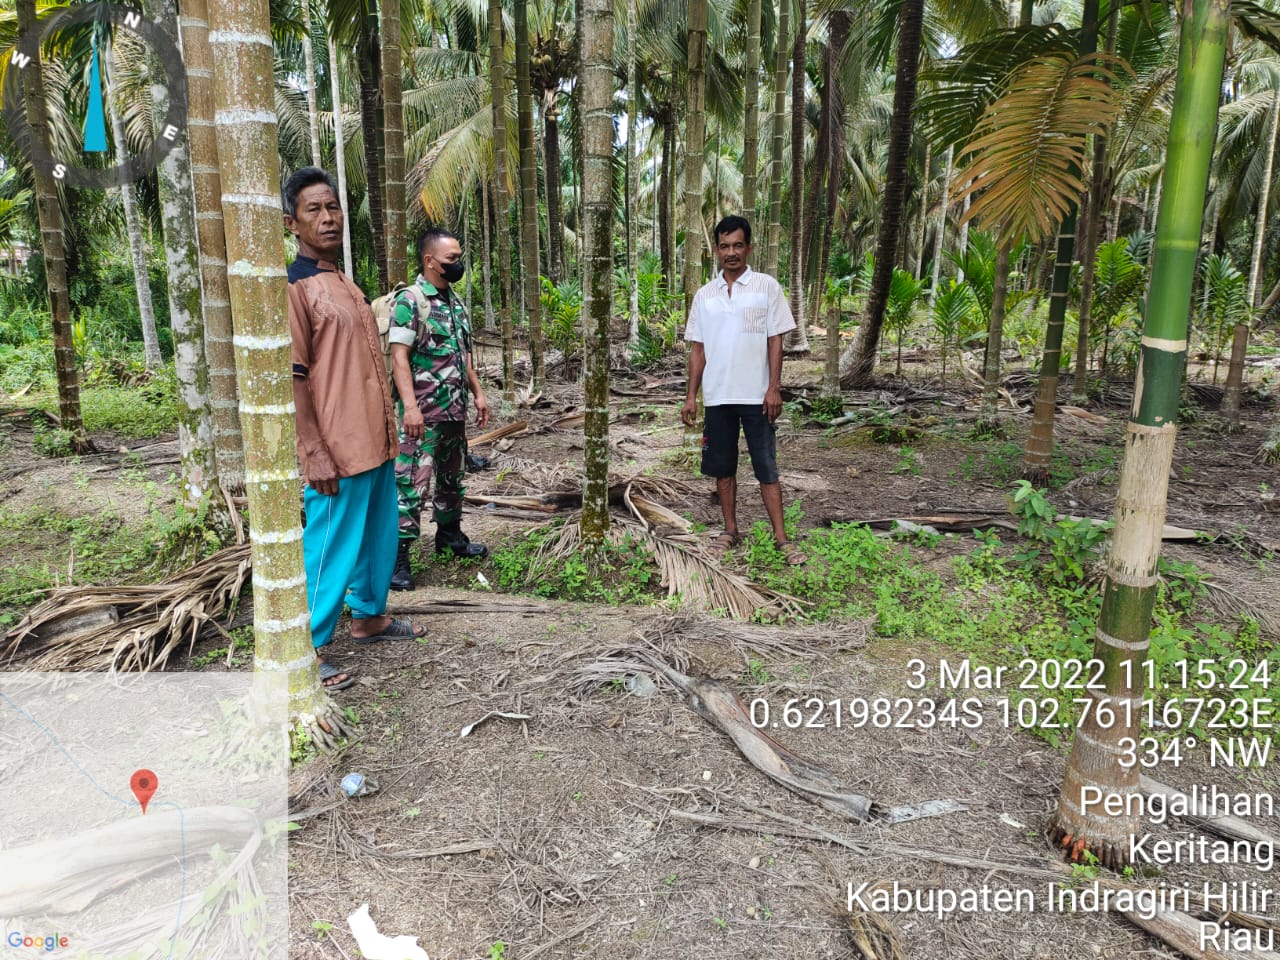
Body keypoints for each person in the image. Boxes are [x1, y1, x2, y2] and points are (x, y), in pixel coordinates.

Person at [284, 167, 425, 689]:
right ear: (292, 223)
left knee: (375, 537)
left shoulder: (346, 283)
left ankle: (368, 616)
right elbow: (294, 374)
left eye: (332, 207)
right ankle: (307, 647)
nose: (327, 218)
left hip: (377, 440)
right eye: (314, 210)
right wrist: (312, 446)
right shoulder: (296, 288)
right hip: (337, 447)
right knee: (328, 545)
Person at [680, 214, 806, 565]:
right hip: (718, 396)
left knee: (766, 466)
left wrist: (773, 388)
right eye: (724, 246)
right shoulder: (705, 296)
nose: (731, 252)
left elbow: (775, 341)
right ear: (716, 251)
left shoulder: (767, 287)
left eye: (738, 245)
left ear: (749, 247)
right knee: (723, 467)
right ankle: (730, 529)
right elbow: (698, 350)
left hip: (756, 397)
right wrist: (691, 396)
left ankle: (782, 539)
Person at [388, 227, 491, 591]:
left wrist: (477, 394)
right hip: (423, 416)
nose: (458, 264)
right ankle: (398, 559)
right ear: (430, 261)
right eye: (452, 259)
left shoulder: (455, 302)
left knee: (452, 479)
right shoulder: (411, 301)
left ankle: (450, 536)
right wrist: (411, 409)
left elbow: (463, 357)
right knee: (411, 484)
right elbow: (399, 358)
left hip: (454, 413)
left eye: (459, 257)